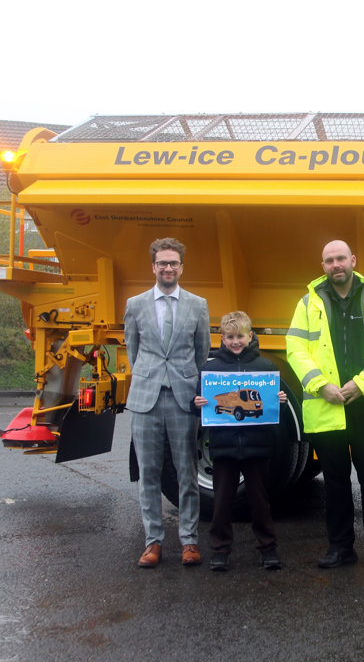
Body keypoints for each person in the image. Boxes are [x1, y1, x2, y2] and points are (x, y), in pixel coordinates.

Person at [286, 239, 364, 570]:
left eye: (341, 258)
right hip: (328, 403)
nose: (335, 264)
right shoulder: (308, 303)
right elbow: (295, 347)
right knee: (336, 480)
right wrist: (320, 385)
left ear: (353, 260)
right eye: (329, 260)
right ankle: (341, 547)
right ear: (323, 265)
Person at [124, 237, 211, 569]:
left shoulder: (197, 305)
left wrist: (187, 383)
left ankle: (189, 541)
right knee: (148, 473)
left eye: (173, 263)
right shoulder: (135, 304)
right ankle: (153, 542)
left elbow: (201, 353)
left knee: (187, 472)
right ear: (154, 267)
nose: (168, 268)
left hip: (182, 397)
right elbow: (134, 351)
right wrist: (149, 377)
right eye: (162, 263)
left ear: (181, 267)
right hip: (146, 399)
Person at [192, 311, 288, 572]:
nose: (236, 342)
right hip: (223, 449)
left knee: (260, 502)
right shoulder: (210, 370)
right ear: (222, 339)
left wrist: (280, 399)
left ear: (251, 336)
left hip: (258, 448)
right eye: (231, 337)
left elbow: (270, 407)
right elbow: (198, 405)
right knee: (221, 502)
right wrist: (197, 403)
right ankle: (220, 551)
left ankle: (268, 549)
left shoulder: (266, 368)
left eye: (241, 337)